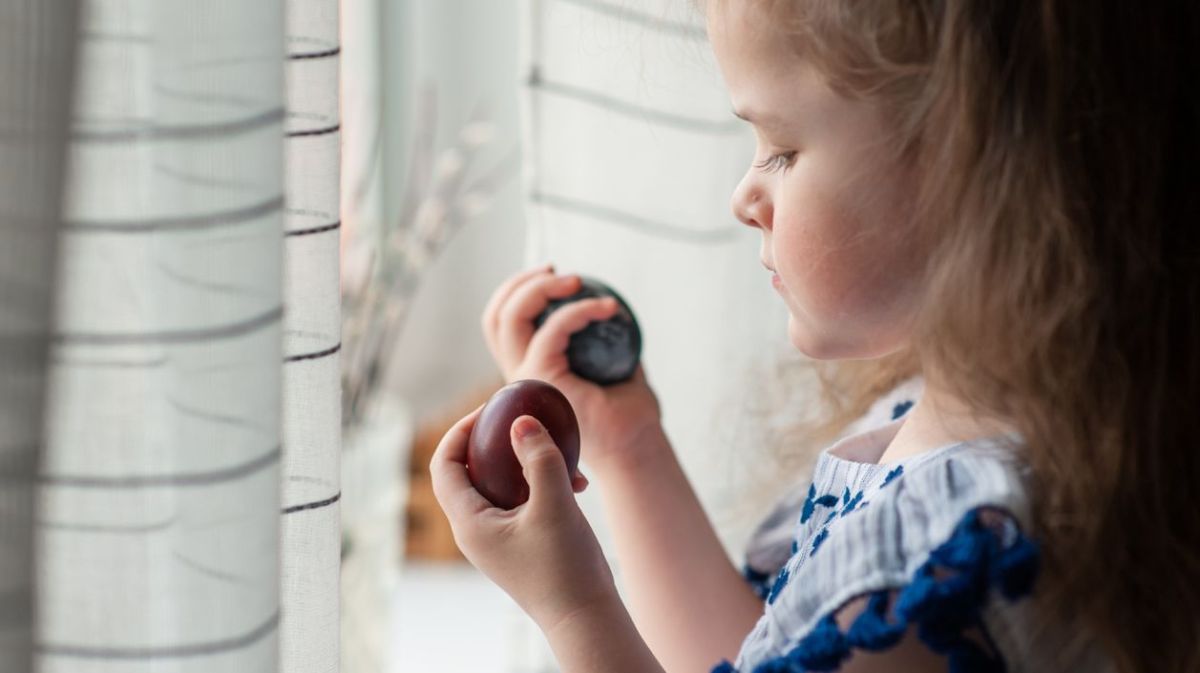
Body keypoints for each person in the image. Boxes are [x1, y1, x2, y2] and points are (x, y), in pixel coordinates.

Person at [429, 1, 1200, 671]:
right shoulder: (959, 441)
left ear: (977, 170)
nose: (744, 196)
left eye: (783, 150)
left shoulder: (943, 569)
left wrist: (571, 606)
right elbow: (751, 655)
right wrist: (629, 447)